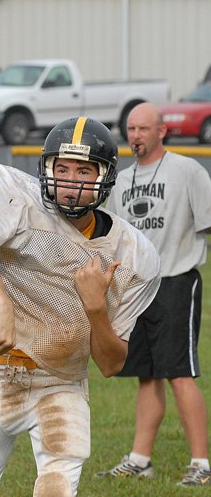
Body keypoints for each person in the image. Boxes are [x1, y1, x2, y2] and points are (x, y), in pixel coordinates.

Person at [0, 117, 161, 497]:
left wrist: (96, 308)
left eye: (83, 170)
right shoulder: (19, 201)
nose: (69, 181)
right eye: (61, 168)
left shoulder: (132, 254)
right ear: (45, 169)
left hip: (60, 382)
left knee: (56, 491)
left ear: (104, 178)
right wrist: (2, 303)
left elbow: (111, 365)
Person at [99, 102, 211, 487]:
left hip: (177, 279)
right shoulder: (123, 180)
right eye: (130, 129)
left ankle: (201, 463)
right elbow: (116, 239)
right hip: (138, 286)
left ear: (162, 131)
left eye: (143, 129)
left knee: (179, 373)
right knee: (146, 375)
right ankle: (140, 459)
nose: (135, 136)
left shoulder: (187, 170)